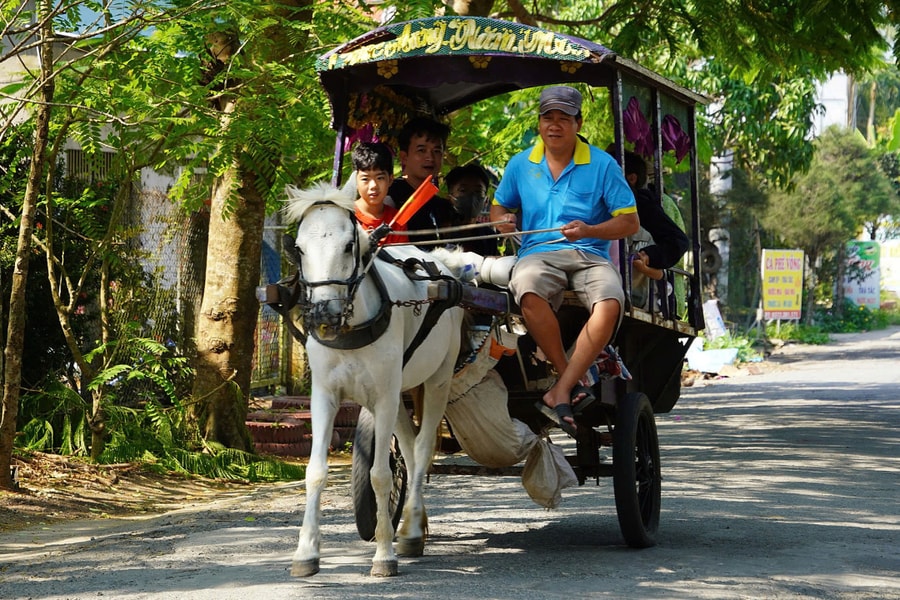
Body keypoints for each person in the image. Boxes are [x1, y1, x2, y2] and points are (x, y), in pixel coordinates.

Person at [491, 86, 639, 436]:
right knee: (526, 288)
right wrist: (502, 220)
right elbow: (500, 206)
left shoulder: (603, 164)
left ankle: (560, 388)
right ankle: (568, 380)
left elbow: (629, 222)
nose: (554, 125)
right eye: (547, 117)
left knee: (610, 302)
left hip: (590, 255)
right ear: (539, 123)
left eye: (563, 118)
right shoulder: (520, 164)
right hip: (538, 254)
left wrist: (591, 228)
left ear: (578, 122)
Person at [609, 148, 689, 311]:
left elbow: (677, 242)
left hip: (635, 293)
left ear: (631, 179)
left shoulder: (643, 206)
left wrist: (649, 257)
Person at [388, 117, 456, 245]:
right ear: (404, 157)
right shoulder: (390, 197)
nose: (430, 157)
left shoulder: (442, 206)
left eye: (437, 151)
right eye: (421, 150)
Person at [351, 142, 408, 245]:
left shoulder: (397, 220)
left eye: (380, 178)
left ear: (390, 180)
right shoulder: (347, 216)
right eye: (365, 179)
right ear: (355, 181)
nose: (373, 186)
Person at [445, 162, 500, 256]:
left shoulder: (488, 236)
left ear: (486, 201)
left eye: (478, 191)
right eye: (463, 191)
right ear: (449, 198)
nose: (471, 196)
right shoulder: (441, 232)